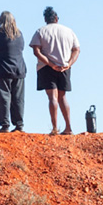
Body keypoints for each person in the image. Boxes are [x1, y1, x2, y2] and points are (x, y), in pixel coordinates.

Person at [30, 7, 80, 135]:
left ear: (45, 19)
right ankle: (68, 127)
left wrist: (50, 63)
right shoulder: (68, 31)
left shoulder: (40, 31)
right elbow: (76, 50)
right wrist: (69, 63)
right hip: (64, 66)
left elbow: (36, 51)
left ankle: (54, 128)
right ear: (56, 18)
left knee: (52, 97)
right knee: (63, 97)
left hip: (47, 67)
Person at [0, 11, 27, 134]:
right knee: (18, 98)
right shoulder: (20, 34)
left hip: (1, 71)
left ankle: (5, 125)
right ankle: (19, 124)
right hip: (18, 70)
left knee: (2, 98)